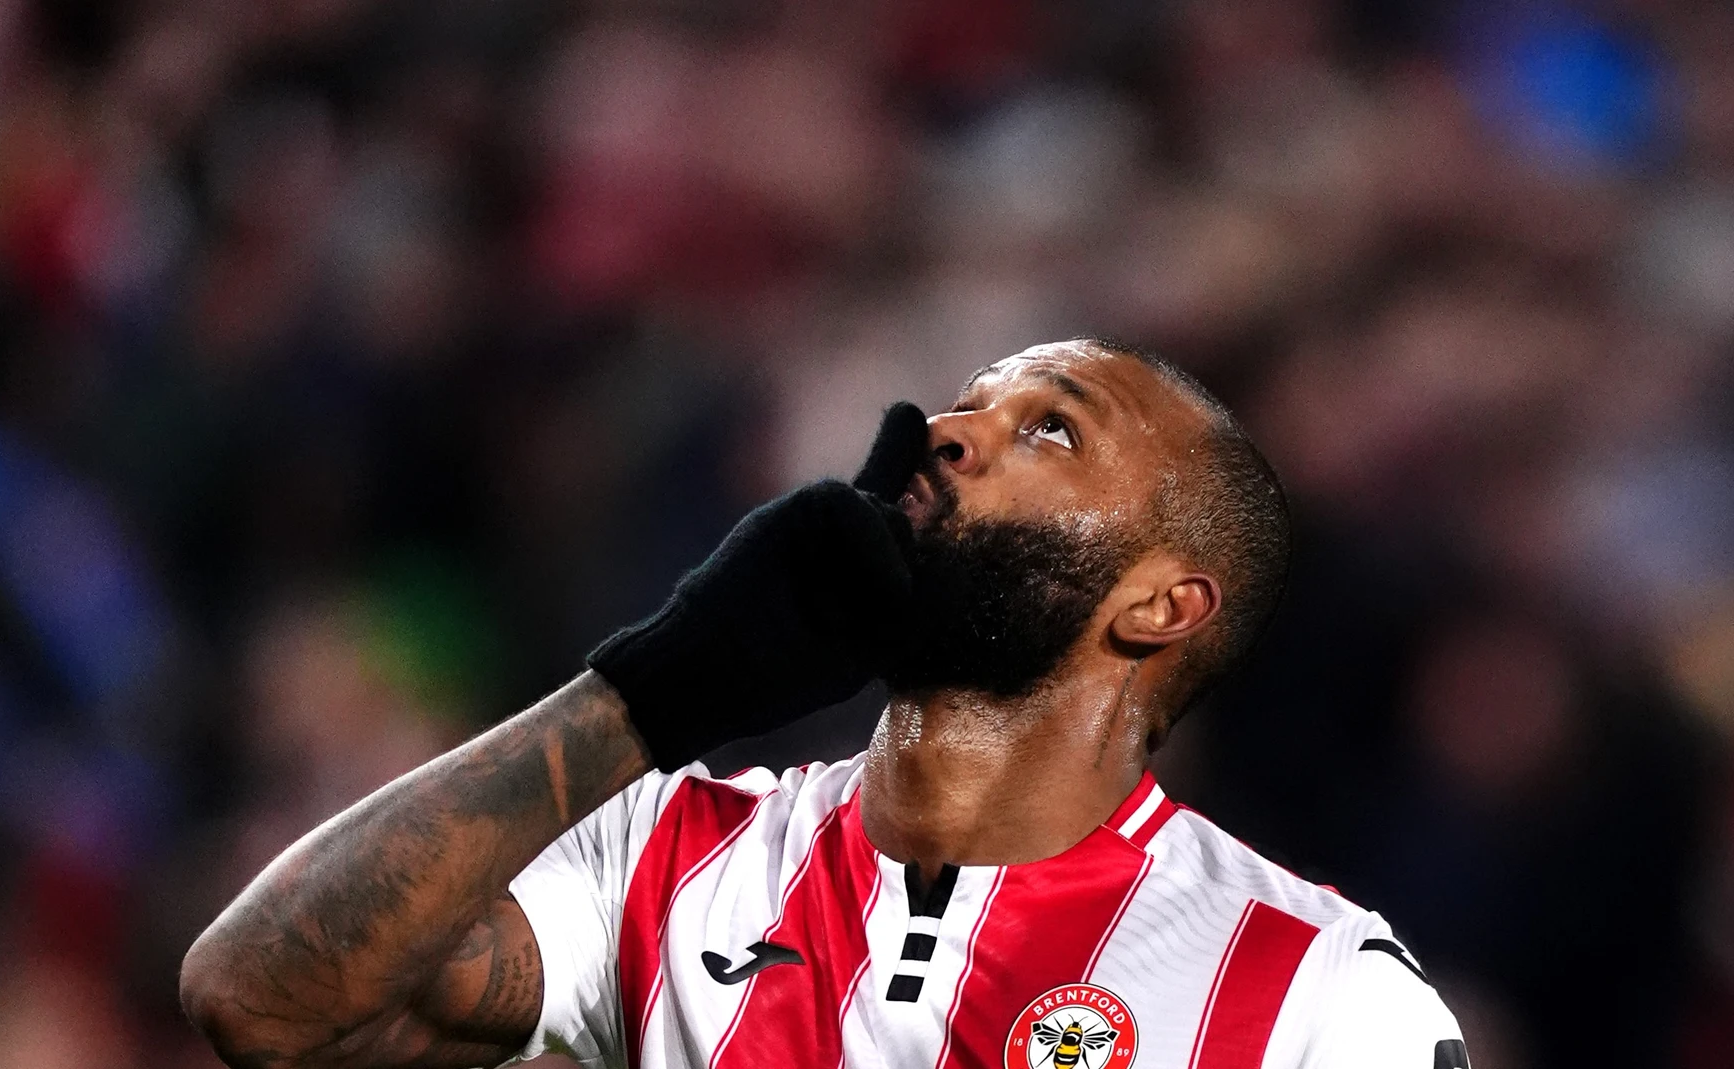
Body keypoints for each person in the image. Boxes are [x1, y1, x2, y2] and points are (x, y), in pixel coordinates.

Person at [179, 338, 1469, 1069]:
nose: (946, 434)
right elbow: (262, 999)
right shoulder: (667, 853)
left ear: (1160, 606)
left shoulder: (1315, 993)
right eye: (968, 406)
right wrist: (650, 690)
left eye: (1052, 431)